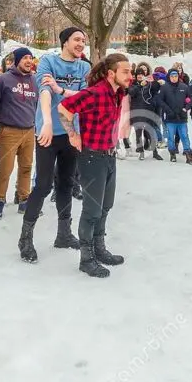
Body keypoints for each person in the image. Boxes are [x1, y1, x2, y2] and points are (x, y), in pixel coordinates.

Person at [18, 28, 90, 263]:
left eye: (83, 40)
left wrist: (63, 90)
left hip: (72, 133)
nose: (81, 43)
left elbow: (84, 98)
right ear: (65, 42)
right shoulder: (48, 61)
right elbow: (45, 92)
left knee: (67, 183)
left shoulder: (84, 68)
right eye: (77, 40)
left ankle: (64, 233)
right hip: (48, 133)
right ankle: (25, 238)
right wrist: (47, 122)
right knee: (44, 184)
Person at [58, 53, 133, 278]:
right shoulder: (95, 93)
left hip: (109, 156)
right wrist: (72, 134)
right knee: (91, 210)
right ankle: (86, 258)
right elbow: (64, 108)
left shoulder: (118, 93)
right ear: (112, 74)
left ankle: (99, 249)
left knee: (106, 205)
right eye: (126, 71)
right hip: (91, 158)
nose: (130, 75)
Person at [0, 47, 39, 218]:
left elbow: (38, 106)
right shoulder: (3, 79)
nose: (28, 61)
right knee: (5, 169)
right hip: (9, 131)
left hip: (29, 131)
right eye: (25, 57)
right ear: (17, 60)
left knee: (26, 167)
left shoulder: (35, 80)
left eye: (30, 58)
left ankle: (24, 200)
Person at [157, 68, 192, 163]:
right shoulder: (165, 87)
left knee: (184, 136)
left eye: (176, 76)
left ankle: (188, 155)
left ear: (178, 77)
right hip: (170, 117)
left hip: (181, 117)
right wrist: (168, 110)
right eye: (172, 76)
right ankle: (172, 153)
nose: (174, 78)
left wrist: (185, 108)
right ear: (169, 77)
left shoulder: (184, 87)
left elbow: (190, 99)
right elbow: (160, 100)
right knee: (170, 137)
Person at [128, 67, 164, 160]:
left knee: (150, 132)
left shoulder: (149, 84)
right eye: (138, 74)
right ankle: (141, 152)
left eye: (141, 74)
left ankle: (155, 152)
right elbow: (131, 92)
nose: (140, 76)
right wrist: (140, 85)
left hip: (148, 111)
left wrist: (158, 82)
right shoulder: (133, 85)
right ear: (136, 76)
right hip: (137, 112)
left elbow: (155, 89)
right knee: (138, 133)